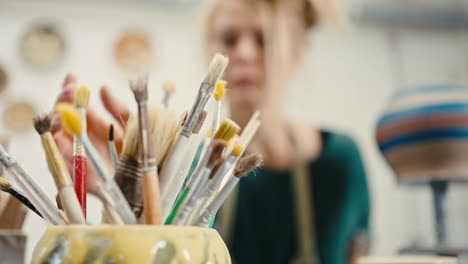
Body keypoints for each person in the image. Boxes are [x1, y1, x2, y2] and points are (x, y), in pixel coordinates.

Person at [51, 0, 370, 263]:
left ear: (298, 53)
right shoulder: (187, 170)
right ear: (210, 53)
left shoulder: (341, 161)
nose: (244, 54)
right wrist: (125, 187)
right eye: (229, 39)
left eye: (263, 38)